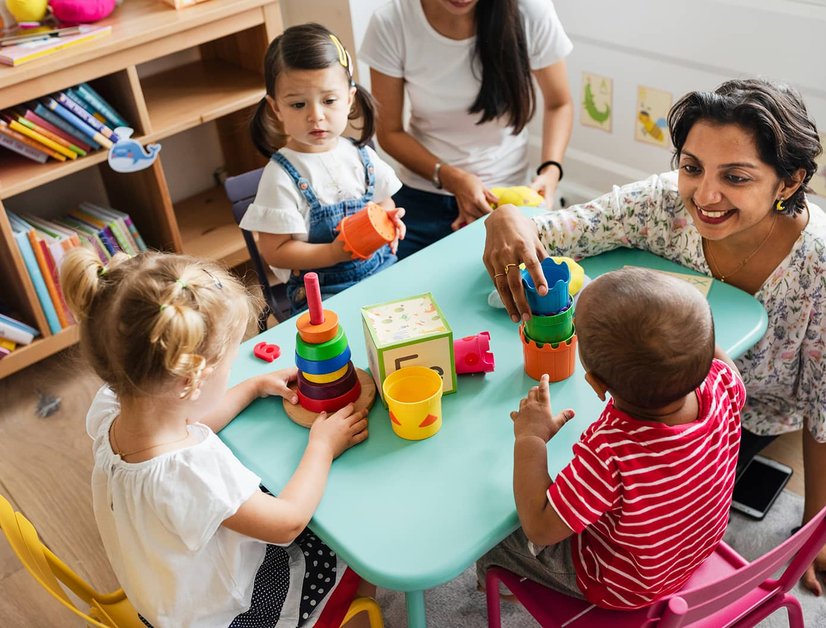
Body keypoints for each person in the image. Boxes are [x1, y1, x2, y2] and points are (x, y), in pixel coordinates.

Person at [482, 78, 826, 594]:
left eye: (735, 176)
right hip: (684, 402)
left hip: (746, 418)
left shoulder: (817, 263)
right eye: (691, 167)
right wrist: (507, 215)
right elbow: (555, 230)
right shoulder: (661, 205)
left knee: (505, 502)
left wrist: (814, 529)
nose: (704, 196)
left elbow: (823, 409)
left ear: (788, 181)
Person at [60, 248, 372, 627]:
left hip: (165, 597)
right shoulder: (191, 473)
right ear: (191, 380)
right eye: (228, 366)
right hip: (227, 615)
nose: (232, 374)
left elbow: (191, 419)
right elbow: (287, 522)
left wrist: (252, 386)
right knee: (350, 545)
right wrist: (322, 447)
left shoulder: (113, 407)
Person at [477, 267, 746, 609]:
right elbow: (721, 363)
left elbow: (540, 527)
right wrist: (687, 336)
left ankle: (509, 588)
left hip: (623, 586)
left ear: (597, 384)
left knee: (495, 533)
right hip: (692, 549)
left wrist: (531, 438)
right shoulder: (723, 382)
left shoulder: (611, 451)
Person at [360, 0, 573, 259]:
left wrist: (551, 171)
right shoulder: (392, 22)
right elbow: (389, 132)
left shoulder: (530, 11)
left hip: (507, 196)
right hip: (423, 194)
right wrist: (451, 177)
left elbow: (559, 103)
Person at [245, 23, 405, 314]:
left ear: (349, 99)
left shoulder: (361, 156)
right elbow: (275, 251)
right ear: (276, 108)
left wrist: (388, 220)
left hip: (383, 269)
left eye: (329, 101)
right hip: (323, 295)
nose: (315, 116)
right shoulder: (281, 176)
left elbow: (383, 200)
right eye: (297, 105)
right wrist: (333, 253)